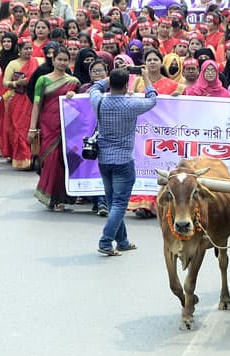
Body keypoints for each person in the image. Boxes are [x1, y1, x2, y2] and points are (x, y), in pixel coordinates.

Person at [91, 67, 157, 256]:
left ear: (110, 83)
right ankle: (105, 241)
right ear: (127, 84)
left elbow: (94, 88)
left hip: (104, 159)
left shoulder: (100, 101)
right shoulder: (131, 104)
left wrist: (108, 78)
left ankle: (122, 241)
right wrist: (145, 77)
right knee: (119, 203)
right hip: (123, 160)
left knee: (113, 202)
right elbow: (152, 99)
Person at [30, 47, 80, 212]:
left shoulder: (73, 82)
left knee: (62, 161)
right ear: (53, 60)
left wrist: (74, 96)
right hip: (47, 124)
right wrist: (32, 128)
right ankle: (50, 195)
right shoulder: (43, 80)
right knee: (50, 159)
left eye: (65, 60)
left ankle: (60, 197)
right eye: (59, 59)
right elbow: (37, 104)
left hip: (67, 125)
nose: (62, 63)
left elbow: (80, 106)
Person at [1, 39, 36, 170]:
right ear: (19, 50)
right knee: (18, 129)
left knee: (30, 128)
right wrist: (17, 84)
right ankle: (22, 159)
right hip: (17, 99)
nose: (29, 51)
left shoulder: (36, 62)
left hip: (32, 99)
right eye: (26, 49)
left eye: (30, 48)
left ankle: (31, 156)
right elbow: (5, 82)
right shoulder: (13, 64)